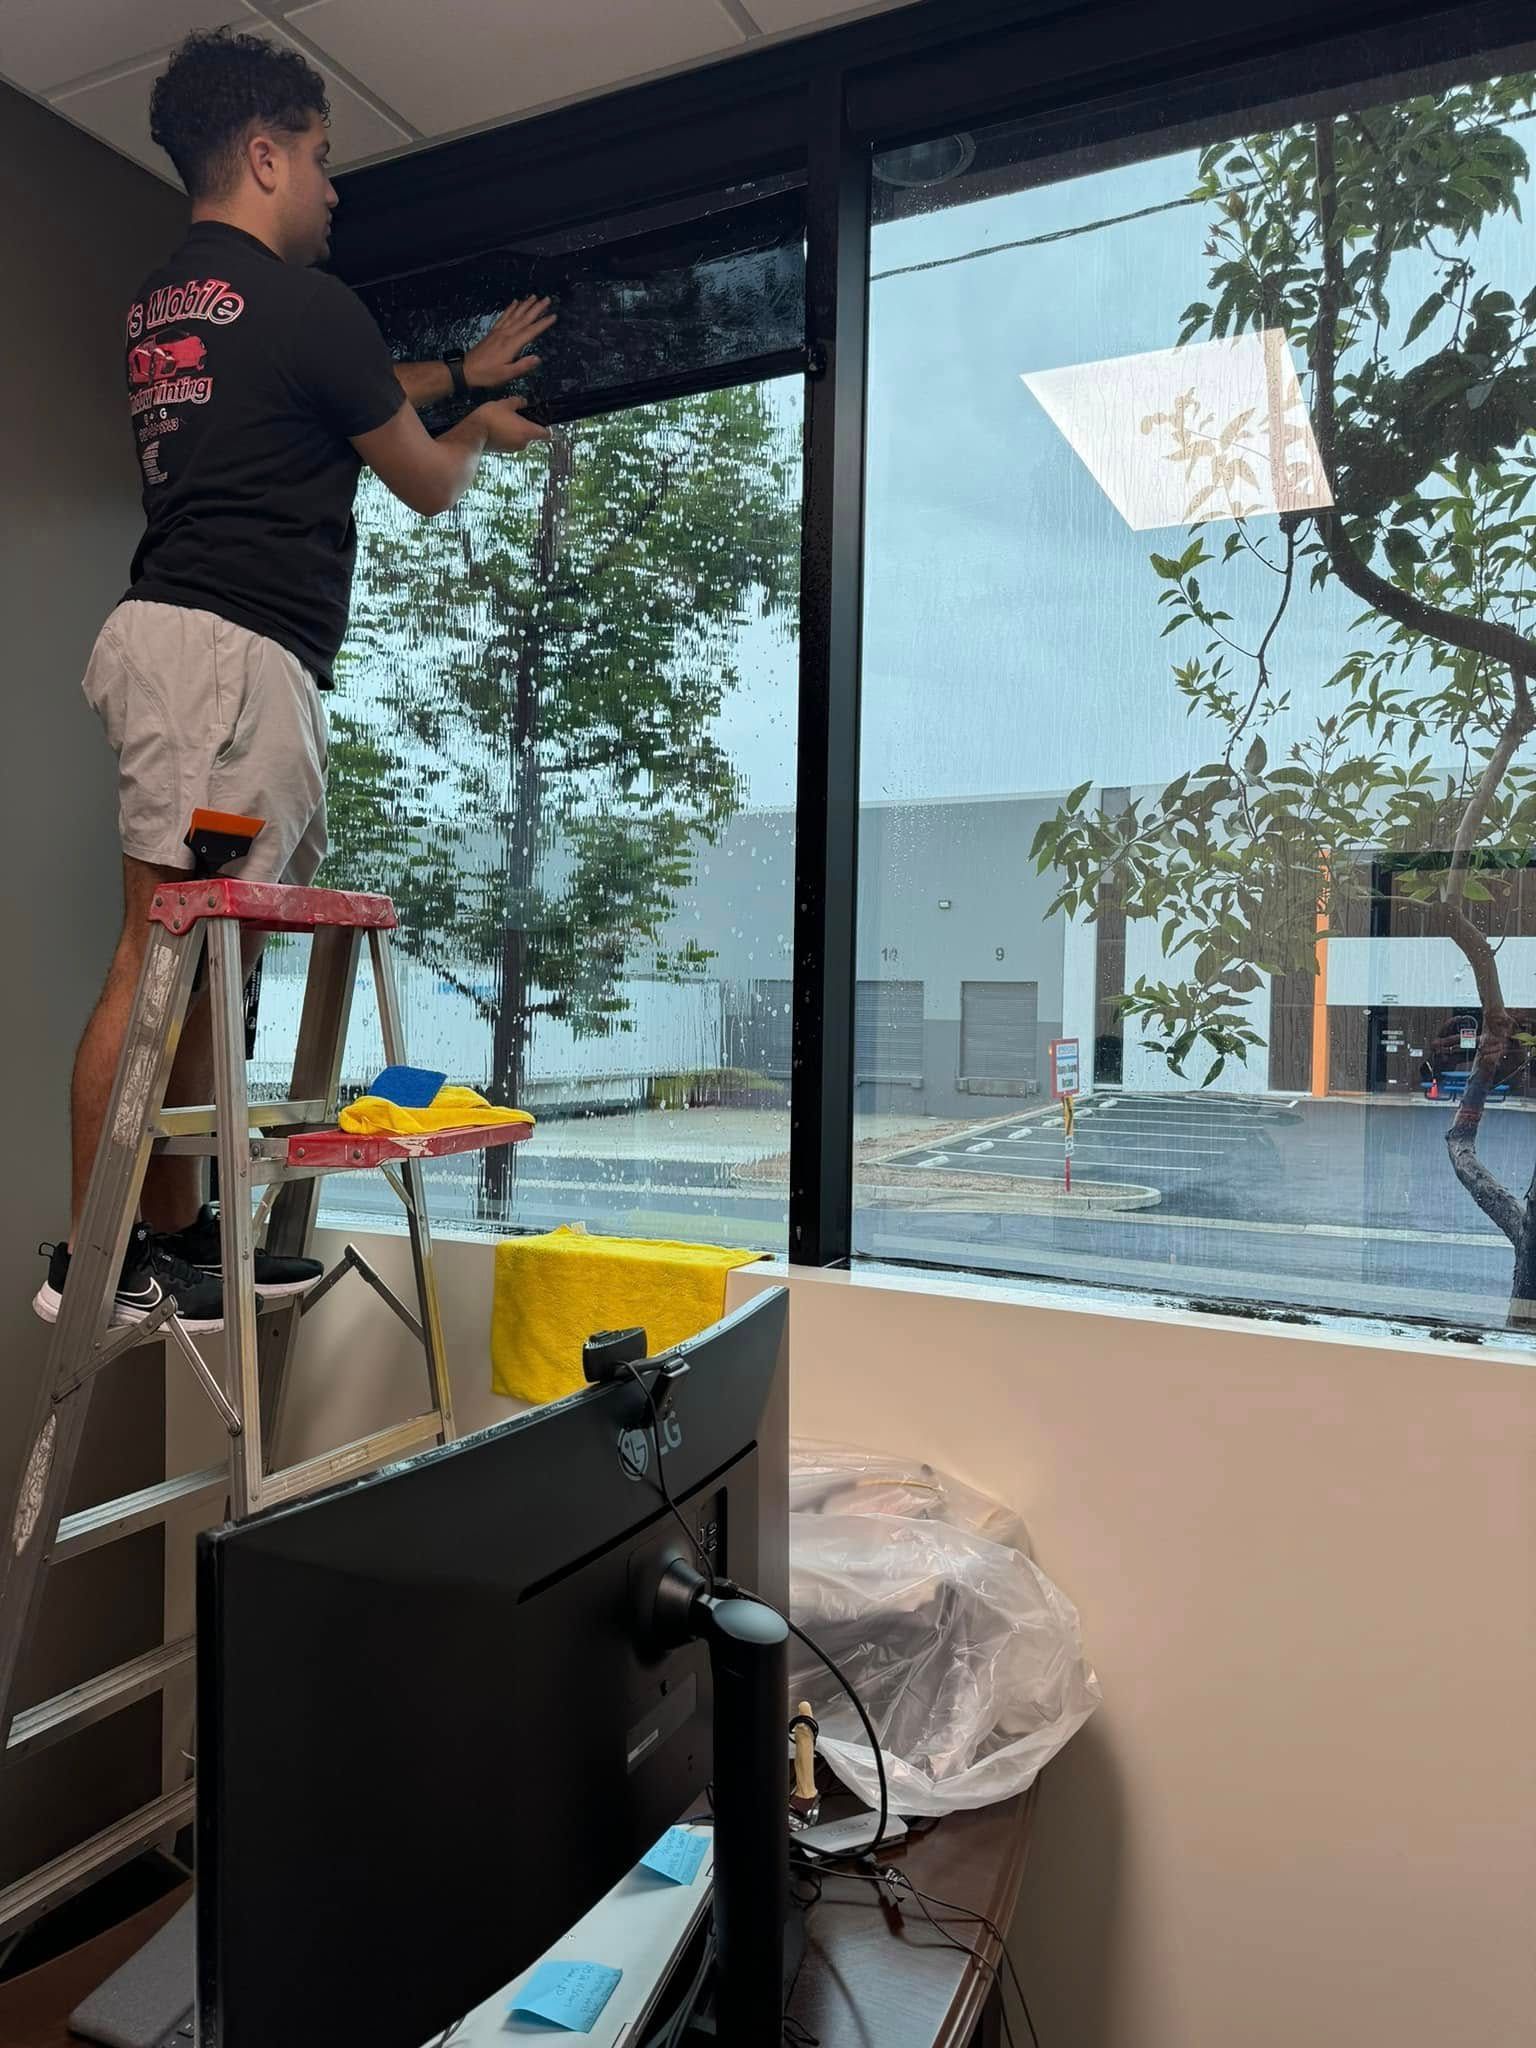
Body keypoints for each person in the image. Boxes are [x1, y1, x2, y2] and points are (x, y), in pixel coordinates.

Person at [35, 29, 556, 1330]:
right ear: (265, 155)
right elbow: (422, 478)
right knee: (160, 967)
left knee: (189, 959)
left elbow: (324, 384)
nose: (333, 187)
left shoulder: (169, 311)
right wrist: (480, 426)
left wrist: (455, 372)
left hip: (183, 649)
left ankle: (162, 1230)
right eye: (320, 159)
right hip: (226, 660)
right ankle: (104, 1253)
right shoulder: (313, 309)